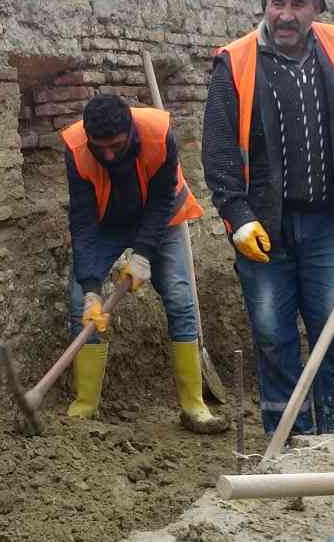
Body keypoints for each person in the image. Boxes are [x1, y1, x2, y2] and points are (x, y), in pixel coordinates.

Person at [201, 0, 334, 439]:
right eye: (277, 2)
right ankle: (289, 438)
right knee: (273, 339)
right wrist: (237, 217)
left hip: (328, 224)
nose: (285, 14)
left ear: (316, 8)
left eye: (297, 4)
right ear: (265, 4)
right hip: (264, 230)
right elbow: (219, 150)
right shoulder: (235, 62)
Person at [62, 94, 226, 433]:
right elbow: (82, 221)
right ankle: (85, 408)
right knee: (81, 302)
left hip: (161, 218)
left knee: (180, 300)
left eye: (116, 146)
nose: (108, 155)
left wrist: (142, 255)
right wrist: (92, 289)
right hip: (107, 222)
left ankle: (194, 407)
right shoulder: (76, 147)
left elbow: (161, 200)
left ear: (131, 134)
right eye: (100, 148)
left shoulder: (159, 135)